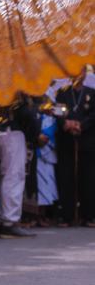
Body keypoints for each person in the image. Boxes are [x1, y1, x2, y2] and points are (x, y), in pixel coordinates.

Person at [0, 94, 38, 237]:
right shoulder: (15, 89)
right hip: (13, 133)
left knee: (3, 177)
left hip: (2, 132)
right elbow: (27, 115)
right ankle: (10, 221)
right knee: (13, 177)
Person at [55, 66, 95, 226]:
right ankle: (67, 216)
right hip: (67, 141)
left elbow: (94, 115)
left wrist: (81, 125)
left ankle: (89, 215)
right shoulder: (62, 93)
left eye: (81, 71)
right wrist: (65, 123)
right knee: (66, 177)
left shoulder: (92, 93)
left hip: (87, 141)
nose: (78, 75)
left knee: (89, 179)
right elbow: (57, 113)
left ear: (85, 73)